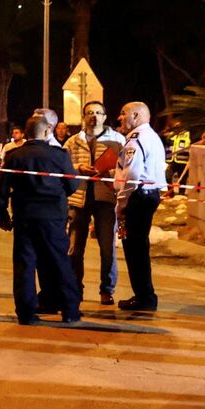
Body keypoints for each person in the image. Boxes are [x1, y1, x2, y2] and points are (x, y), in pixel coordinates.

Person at [0, 115, 83, 324]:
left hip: (25, 217)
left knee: (25, 264)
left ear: (26, 133)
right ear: (47, 132)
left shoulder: (14, 155)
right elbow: (72, 185)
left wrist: (2, 214)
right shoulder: (59, 155)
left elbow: (1, 188)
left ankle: (26, 313)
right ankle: (70, 310)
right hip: (53, 217)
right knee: (60, 262)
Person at [64, 101, 126, 305]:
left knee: (107, 247)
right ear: (83, 116)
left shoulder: (117, 140)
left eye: (98, 113)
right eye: (90, 113)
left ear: (105, 116)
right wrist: (77, 167)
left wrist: (106, 172)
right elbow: (62, 167)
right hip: (79, 198)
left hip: (105, 199)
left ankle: (107, 290)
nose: (94, 116)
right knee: (74, 247)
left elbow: (125, 168)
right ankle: (75, 288)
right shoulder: (73, 141)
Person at [113, 101, 167, 312]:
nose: (120, 118)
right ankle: (145, 295)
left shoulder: (135, 140)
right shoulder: (152, 137)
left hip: (137, 197)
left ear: (135, 116)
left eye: (123, 113)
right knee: (139, 247)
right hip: (149, 194)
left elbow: (132, 176)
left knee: (134, 249)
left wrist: (122, 203)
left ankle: (144, 297)